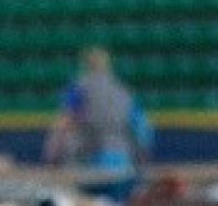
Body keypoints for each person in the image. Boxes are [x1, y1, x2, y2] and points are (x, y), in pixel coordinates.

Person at [43, 47, 153, 176]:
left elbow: (64, 123)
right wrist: (142, 160)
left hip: (87, 160)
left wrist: (51, 156)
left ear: (83, 65)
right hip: (122, 160)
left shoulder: (79, 88)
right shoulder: (123, 91)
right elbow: (143, 129)